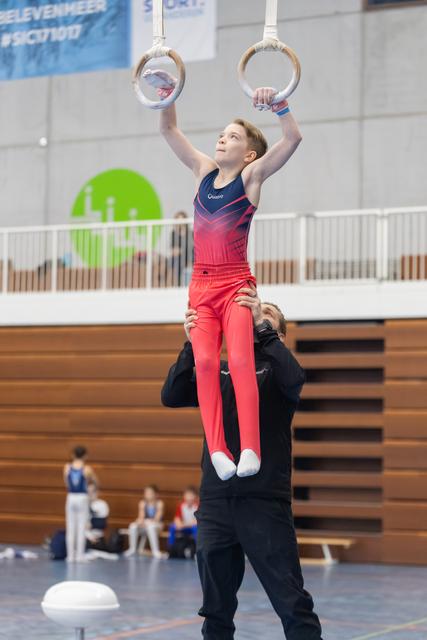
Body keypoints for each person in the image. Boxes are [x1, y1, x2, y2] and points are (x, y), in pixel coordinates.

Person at [146, 69, 302, 482]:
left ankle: (249, 445)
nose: (222, 139)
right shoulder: (202, 171)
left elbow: (292, 140)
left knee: (240, 358)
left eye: (233, 137)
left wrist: (278, 104)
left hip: (235, 285)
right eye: (222, 134)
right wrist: (166, 91)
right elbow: (168, 127)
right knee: (202, 363)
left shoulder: (252, 178)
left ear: (250, 154)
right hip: (200, 286)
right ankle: (218, 449)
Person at [161, 286, 323, 640]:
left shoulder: (277, 373)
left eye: (266, 318)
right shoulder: (217, 372)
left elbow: (296, 378)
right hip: (217, 504)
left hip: (263, 503)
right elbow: (171, 395)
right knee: (216, 611)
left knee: (291, 602)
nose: (252, 317)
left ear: (277, 334)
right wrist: (192, 342)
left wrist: (258, 325)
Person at [63, 446, 97, 563]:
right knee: (81, 527)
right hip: (82, 496)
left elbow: (67, 483)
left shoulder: (67, 467)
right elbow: (95, 482)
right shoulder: (87, 469)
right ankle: (80, 556)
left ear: (73, 455)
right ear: (85, 456)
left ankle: (70, 556)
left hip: (71, 497)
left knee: (70, 527)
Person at [124, 485, 164, 559]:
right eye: (146, 493)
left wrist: (148, 522)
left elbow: (157, 518)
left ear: (156, 494)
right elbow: (141, 516)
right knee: (132, 526)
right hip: (145, 525)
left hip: (157, 525)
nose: (148, 495)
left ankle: (155, 551)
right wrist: (140, 522)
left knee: (151, 527)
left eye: (150, 493)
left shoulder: (159, 503)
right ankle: (132, 549)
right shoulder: (142, 503)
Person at [169, 210, 193, 286]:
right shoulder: (174, 233)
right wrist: (182, 249)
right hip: (179, 258)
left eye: (182, 220)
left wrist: (181, 249)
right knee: (177, 262)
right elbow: (174, 250)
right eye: (178, 220)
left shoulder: (190, 233)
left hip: (190, 255)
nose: (180, 223)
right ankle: (178, 285)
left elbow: (193, 246)